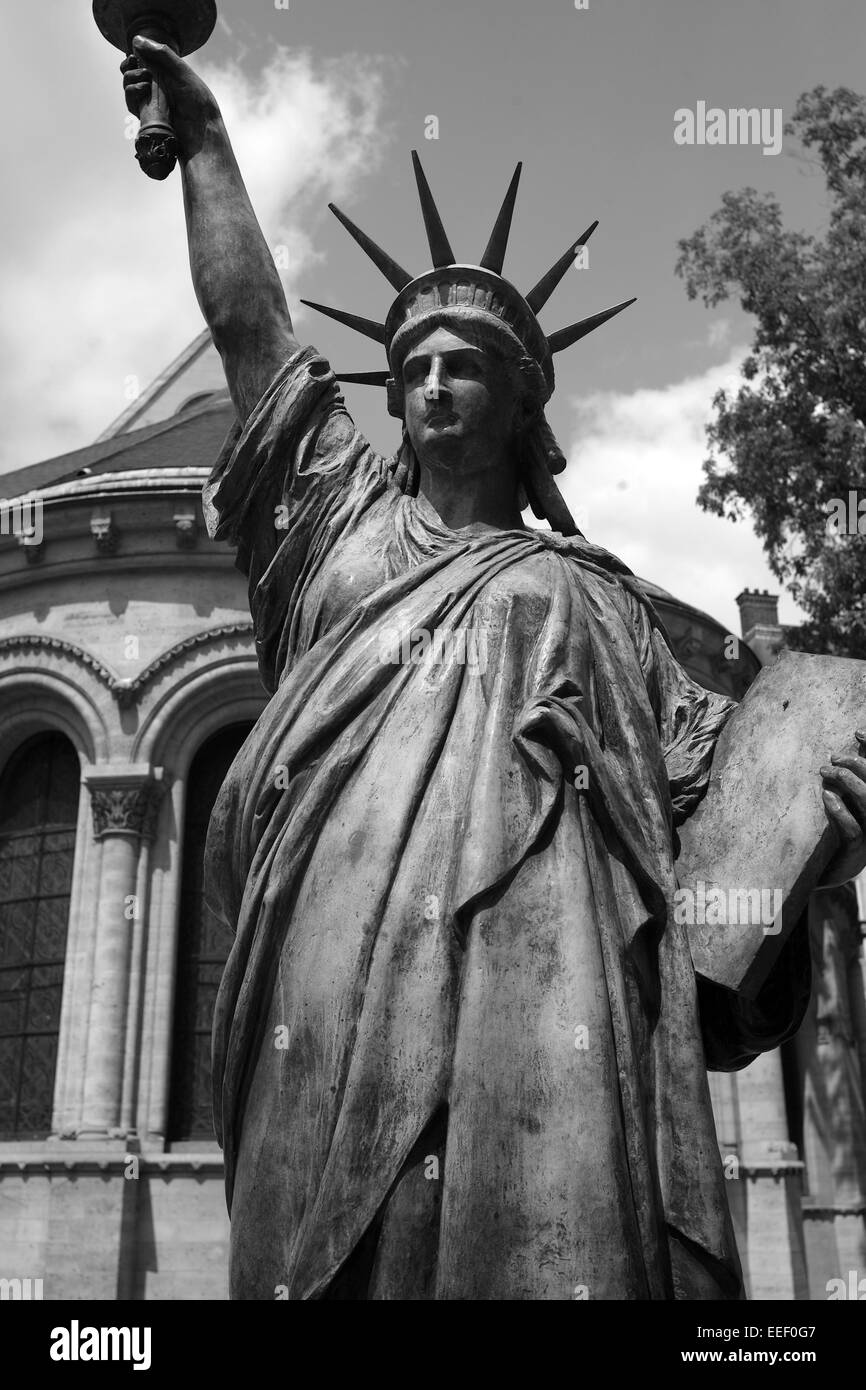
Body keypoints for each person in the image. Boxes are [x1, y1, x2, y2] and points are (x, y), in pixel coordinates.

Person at [122, 38, 866, 1301]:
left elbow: (710, 896)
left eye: (462, 363)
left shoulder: (614, 612)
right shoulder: (334, 535)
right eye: (410, 369)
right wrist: (202, 142)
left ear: (523, 403)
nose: (428, 384)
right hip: (329, 985)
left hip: (556, 1025)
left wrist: (809, 860)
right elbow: (251, 326)